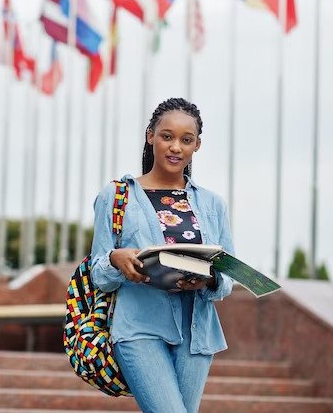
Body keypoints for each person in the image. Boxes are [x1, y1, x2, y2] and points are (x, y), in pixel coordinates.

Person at [90, 97, 235, 413]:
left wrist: (209, 279)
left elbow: (226, 280)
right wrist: (117, 259)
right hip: (139, 327)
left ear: (197, 145)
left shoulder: (213, 205)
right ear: (150, 136)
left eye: (186, 140)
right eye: (167, 136)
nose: (175, 147)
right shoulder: (116, 196)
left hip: (197, 335)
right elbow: (98, 273)